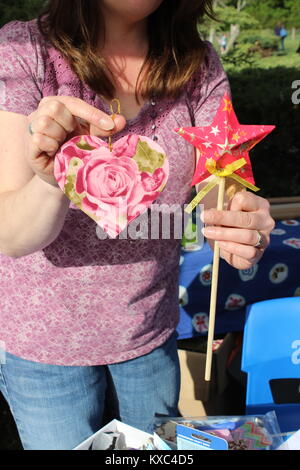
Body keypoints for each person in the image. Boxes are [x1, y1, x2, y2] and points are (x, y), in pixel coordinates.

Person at [0, 0, 275, 450]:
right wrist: (54, 177)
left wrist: (238, 217)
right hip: (44, 350)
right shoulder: (23, 52)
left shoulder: (198, 64)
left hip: (150, 333)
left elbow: (219, 181)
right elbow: (9, 235)